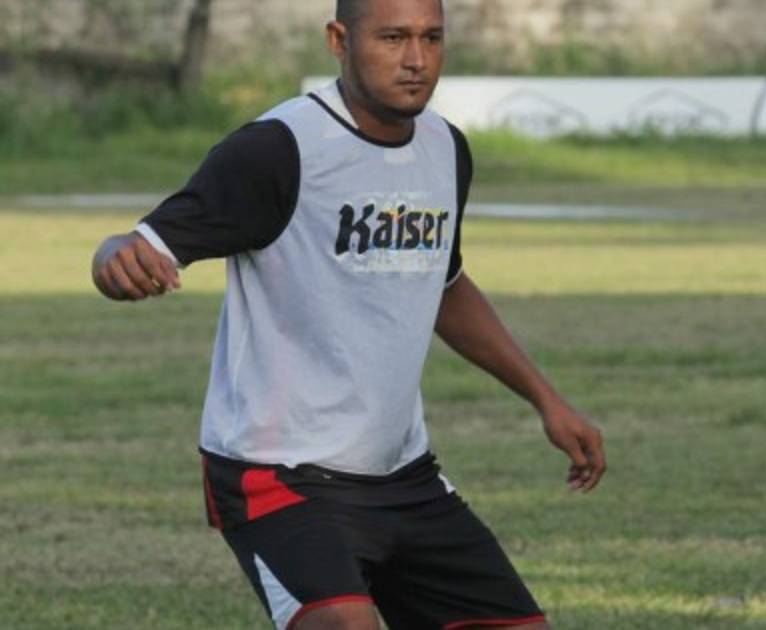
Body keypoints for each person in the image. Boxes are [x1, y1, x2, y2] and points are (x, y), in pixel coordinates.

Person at [90, 0, 606, 628]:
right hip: (278, 471)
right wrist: (114, 258)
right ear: (339, 40)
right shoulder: (279, 148)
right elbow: (139, 245)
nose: (416, 60)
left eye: (431, 38)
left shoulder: (445, 148)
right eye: (392, 38)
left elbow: (443, 282)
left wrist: (547, 401)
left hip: (402, 474)